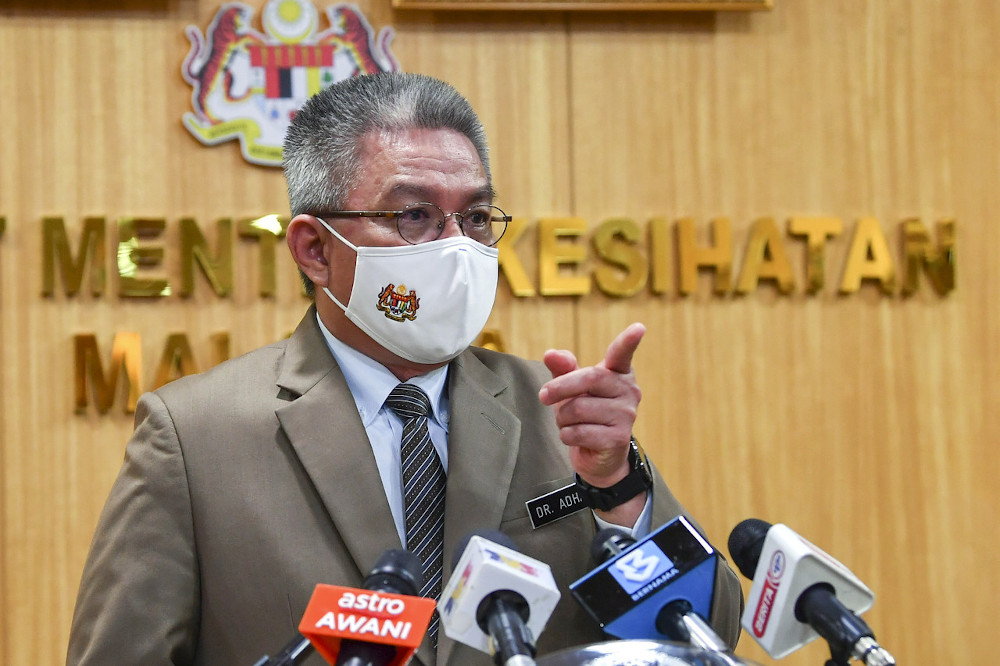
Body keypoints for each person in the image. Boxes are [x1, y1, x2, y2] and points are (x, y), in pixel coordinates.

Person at [67, 72, 742, 666]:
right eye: (415, 215)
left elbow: (709, 635)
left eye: (475, 217)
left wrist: (618, 493)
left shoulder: (558, 411)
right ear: (313, 249)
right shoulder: (192, 437)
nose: (456, 247)